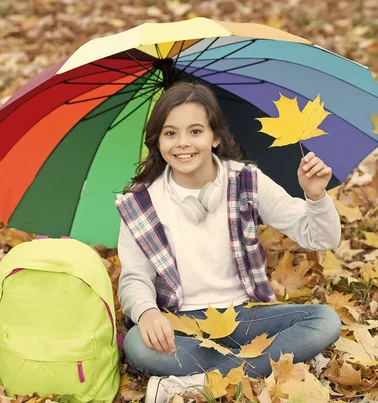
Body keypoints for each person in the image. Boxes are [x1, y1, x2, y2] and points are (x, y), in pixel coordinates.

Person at [115, 82, 342, 403]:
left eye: (195, 131)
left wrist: (316, 196)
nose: (183, 144)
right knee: (139, 344)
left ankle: (196, 382)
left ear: (215, 137)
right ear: (157, 140)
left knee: (324, 321)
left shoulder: (245, 181)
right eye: (170, 133)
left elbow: (321, 237)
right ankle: (267, 363)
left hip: (246, 316)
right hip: (182, 324)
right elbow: (135, 278)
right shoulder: (141, 202)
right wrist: (147, 312)